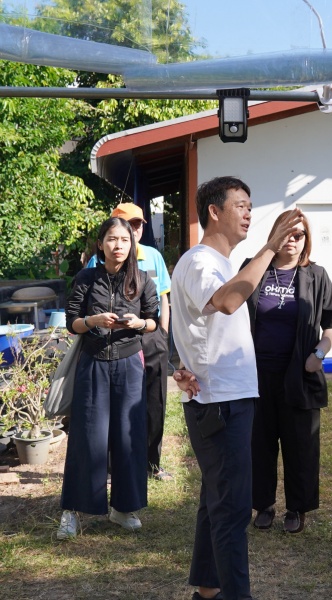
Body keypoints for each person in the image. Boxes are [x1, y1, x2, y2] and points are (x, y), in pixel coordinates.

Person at [170, 176, 302, 600]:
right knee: (230, 509)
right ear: (214, 211)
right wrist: (268, 248)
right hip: (219, 403)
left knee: (217, 501)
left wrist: (181, 363)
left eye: (250, 205)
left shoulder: (223, 263)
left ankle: (208, 592)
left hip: (229, 397)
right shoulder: (201, 262)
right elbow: (226, 302)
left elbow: (193, 326)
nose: (248, 212)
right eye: (240, 205)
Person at [57, 217, 159, 540]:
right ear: (101, 244)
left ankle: (123, 508)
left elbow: (154, 320)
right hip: (93, 362)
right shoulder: (86, 278)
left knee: (129, 437)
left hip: (129, 363)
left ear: (133, 245)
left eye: (124, 240)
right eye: (112, 239)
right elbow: (71, 321)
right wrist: (93, 320)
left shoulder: (142, 279)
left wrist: (138, 324)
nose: (118, 246)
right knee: (88, 436)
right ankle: (73, 510)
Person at [246, 210, 332, 533]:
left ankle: (296, 508)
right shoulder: (254, 268)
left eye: (299, 234)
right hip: (256, 373)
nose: (292, 239)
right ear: (275, 233)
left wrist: (319, 354)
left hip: (299, 374)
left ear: (307, 240)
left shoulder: (315, 275)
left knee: (300, 443)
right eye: (287, 232)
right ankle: (262, 504)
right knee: (258, 441)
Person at [86, 202, 173, 481]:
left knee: (154, 401)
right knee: (116, 406)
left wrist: (162, 332)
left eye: (138, 225)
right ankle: (113, 465)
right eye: (128, 224)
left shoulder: (152, 256)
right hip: (115, 344)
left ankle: (151, 462)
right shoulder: (96, 262)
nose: (134, 230)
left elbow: (163, 298)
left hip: (149, 335)